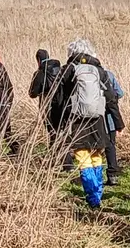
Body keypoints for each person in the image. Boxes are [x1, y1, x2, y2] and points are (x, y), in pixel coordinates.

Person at [50, 39, 123, 180]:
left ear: (71, 52)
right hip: (98, 119)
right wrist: (118, 122)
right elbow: (111, 98)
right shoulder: (99, 71)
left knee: (82, 154)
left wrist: (57, 122)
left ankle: (92, 191)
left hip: (76, 120)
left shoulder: (67, 70)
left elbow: (57, 99)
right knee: (96, 153)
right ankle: (97, 189)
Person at [30, 48, 63, 138]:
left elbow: (32, 94)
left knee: (52, 132)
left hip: (46, 106)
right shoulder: (60, 70)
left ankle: (54, 150)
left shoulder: (39, 73)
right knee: (61, 130)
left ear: (38, 60)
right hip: (61, 104)